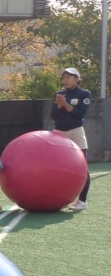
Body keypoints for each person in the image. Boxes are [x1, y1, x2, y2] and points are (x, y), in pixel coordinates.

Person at [51, 67, 91, 211]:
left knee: (83, 166)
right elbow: (53, 116)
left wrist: (65, 105)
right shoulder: (59, 94)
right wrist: (59, 106)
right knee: (54, 165)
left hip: (76, 131)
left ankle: (82, 201)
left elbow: (80, 115)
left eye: (68, 77)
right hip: (59, 132)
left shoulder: (84, 94)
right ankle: (56, 197)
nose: (65, 80)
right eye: (64, 78)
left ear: (77, 79)